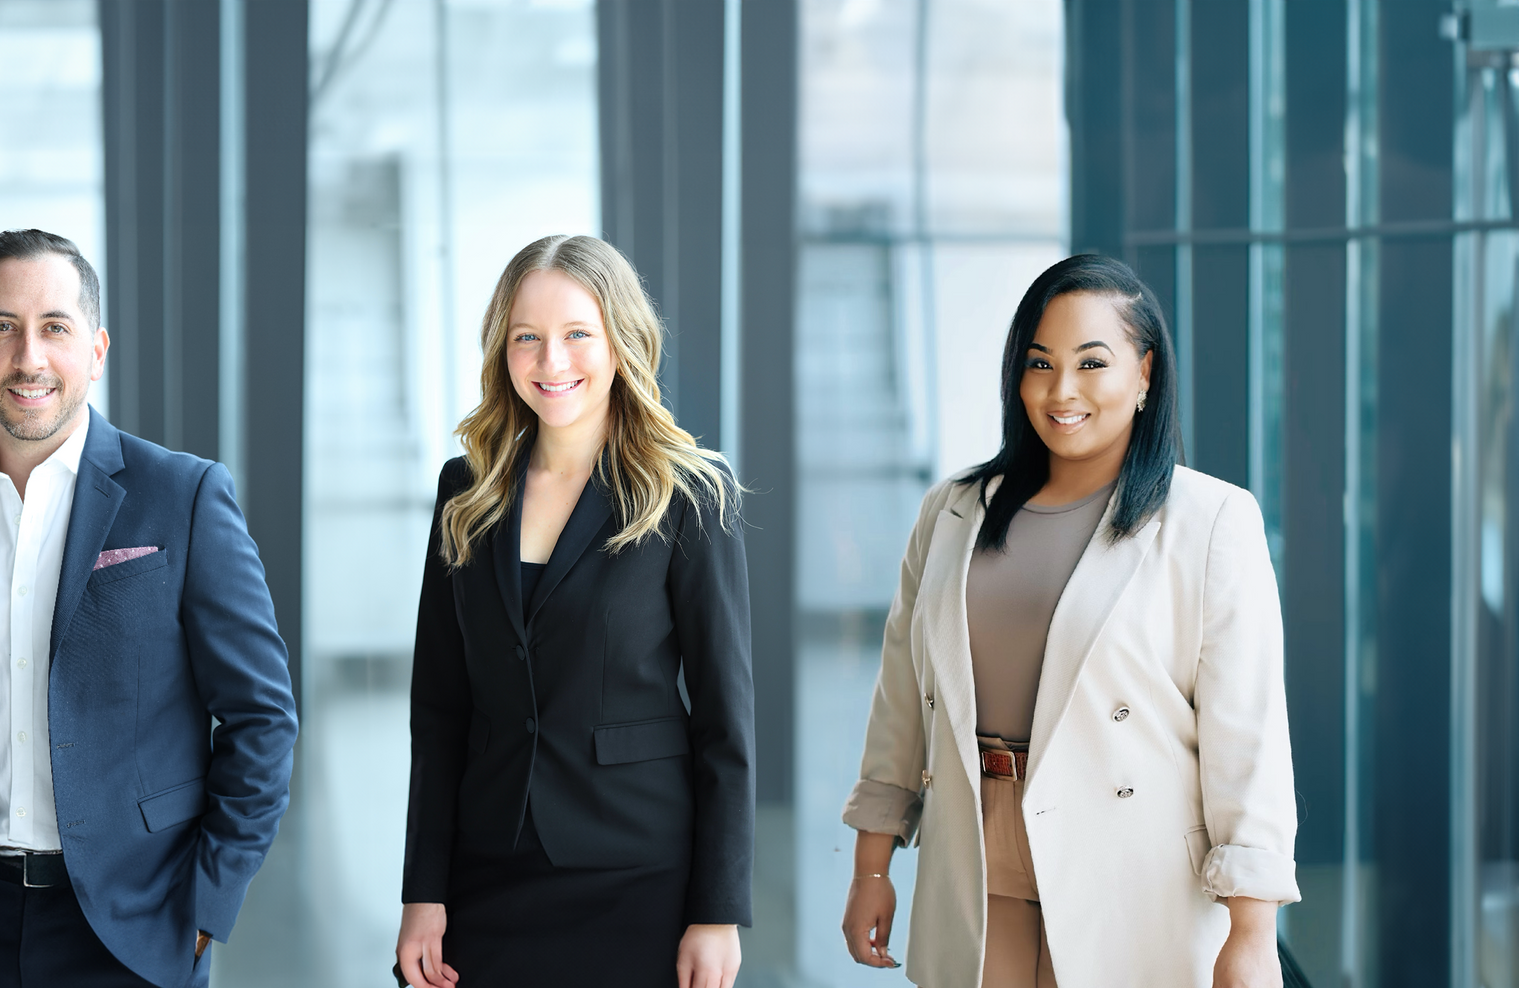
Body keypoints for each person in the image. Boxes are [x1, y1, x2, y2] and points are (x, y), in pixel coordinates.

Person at [837, 254, 1297, 988]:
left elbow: (1247, 736)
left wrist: (1252, 930)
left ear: (1145, 373)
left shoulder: (1210, 520)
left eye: (1092, 363)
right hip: (974, 848)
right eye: (1040, 363)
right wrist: (871, 865)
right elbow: (902, 696)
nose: (1061, 391)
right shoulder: (954, 512)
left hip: (1131, 864)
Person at [0, 229, 297, 988]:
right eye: (4, 327)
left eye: (54, 328)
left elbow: (262, 717)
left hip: (137, 926)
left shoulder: (183, 497)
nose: (29, 357)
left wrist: (206, 904)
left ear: (94, 351)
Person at [394, 235, 754, 988]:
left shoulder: (688, 495)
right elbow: (439, 712)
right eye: (528, 338)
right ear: (504, 351)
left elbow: (726, 722)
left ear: (621, 342)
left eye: (577, 335)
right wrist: (423, 891)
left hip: (638, 872)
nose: (551, 361)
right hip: (488, 867)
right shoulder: (466, 490)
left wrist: (717, 911)